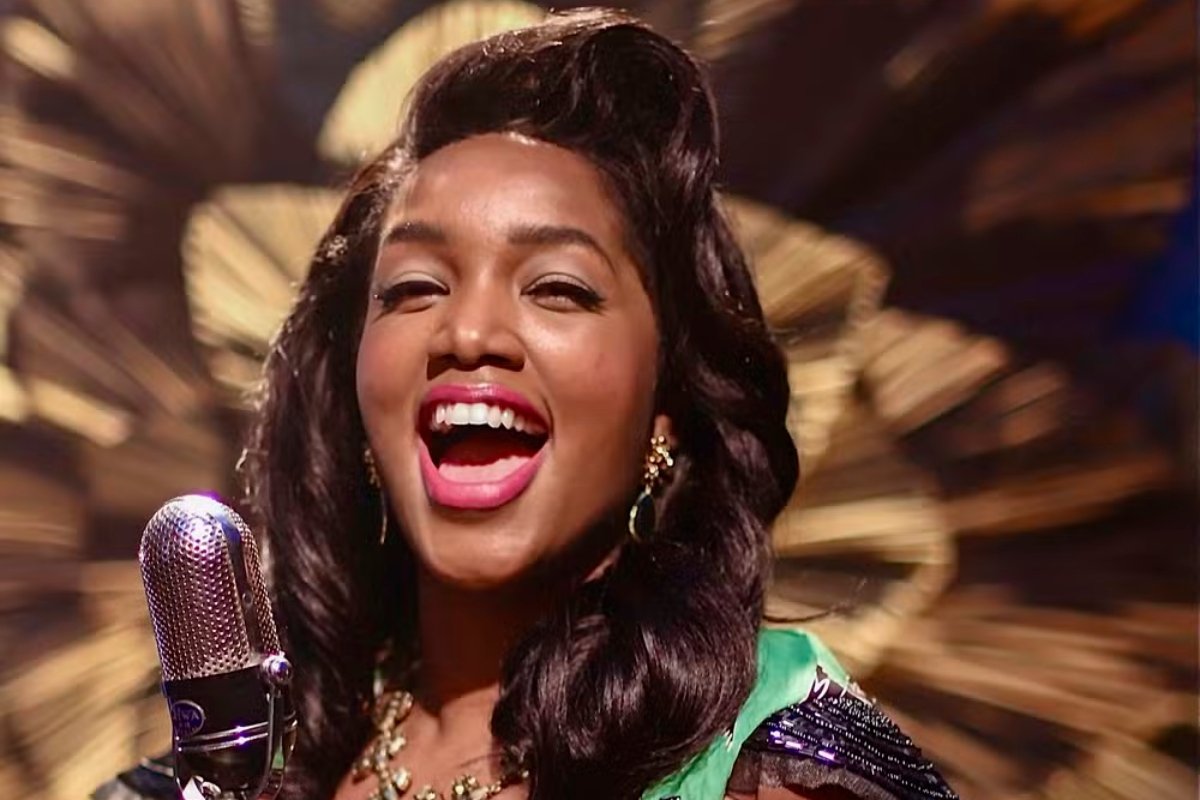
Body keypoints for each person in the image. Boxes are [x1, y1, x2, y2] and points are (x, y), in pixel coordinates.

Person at [95, 8, 957, 800]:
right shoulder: (241, 773)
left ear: (666, 405)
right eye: (415, 287)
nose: (468, 332)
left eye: (557, 288)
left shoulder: (775, 760)